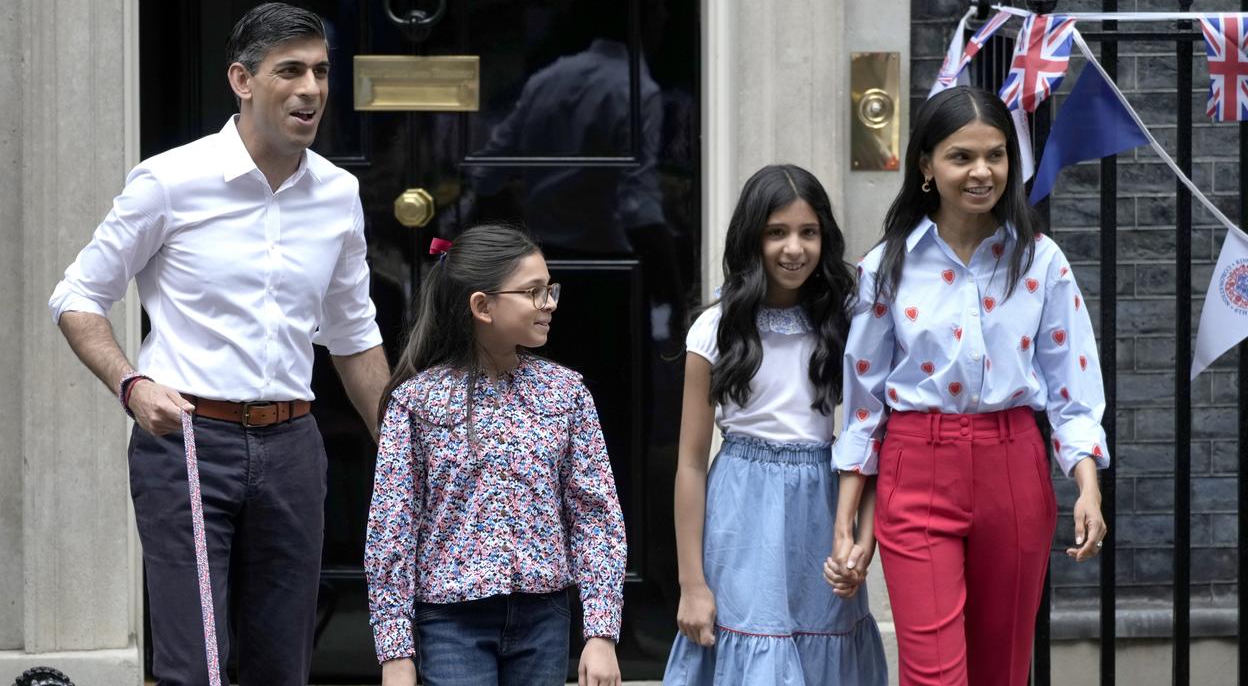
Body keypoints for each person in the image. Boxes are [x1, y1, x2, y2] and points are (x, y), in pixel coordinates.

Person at [48, 2, 390, 685]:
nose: (312, 90)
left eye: (321, 72)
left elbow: (353, 336)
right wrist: (131, 384)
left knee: (281, 667)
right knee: (195, 666)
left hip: (294, 447)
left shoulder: (338, 194)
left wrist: (404, 445)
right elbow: (77, 297)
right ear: (242, 80)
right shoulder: (169, 181)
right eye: (290, 71)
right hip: (188, 444)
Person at [827, 86, 1110, 686]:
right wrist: (847, 521)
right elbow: (863, 403)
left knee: (1002, 670)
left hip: (1015, 464)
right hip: (916, 468)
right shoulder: (888, 266)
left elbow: (1072, 390)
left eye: (996, 155)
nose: (982, 172)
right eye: (962, 157)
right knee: (934, 675)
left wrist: (1088, 488)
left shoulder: (1041, 261)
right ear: (927, 166)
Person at [365, 225, 627, 686]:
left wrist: (601, 632)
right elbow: (392, 528)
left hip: (543, 617)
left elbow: (596, 516)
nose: (550, 303)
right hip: (450, 622)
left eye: (550, 290)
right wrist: (395, 652)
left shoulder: (566, 393)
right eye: (533, 292)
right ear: (482, 306)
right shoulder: (417, 402)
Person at [664, 165, 888, 685]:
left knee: (823, 639)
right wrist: (691, 584)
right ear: (752, 239)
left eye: (808, 233)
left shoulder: (847, 320)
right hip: (741, 508)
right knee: (752, 641)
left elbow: (871, 435)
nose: (794, 248)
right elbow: (691, 465)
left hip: (821, 499)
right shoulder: (716, 328)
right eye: (777, 233)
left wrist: (863, 539)